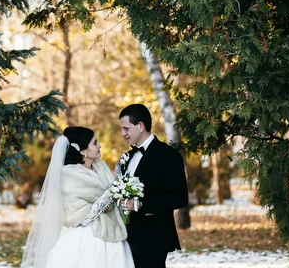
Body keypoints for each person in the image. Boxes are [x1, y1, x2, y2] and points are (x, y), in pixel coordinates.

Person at [21, 126, 134, 268]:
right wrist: (113, 192)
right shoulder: (70, 174)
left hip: (112, 231)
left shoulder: (99, 166)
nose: (99, 145)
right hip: (90, 237)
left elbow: (111, 191)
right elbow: (82, 216)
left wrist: (119, 172)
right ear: (82, 151)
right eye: (94, 143)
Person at [116, 104, 188, 268]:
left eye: (126, 128)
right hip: (127, 236)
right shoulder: (127, 157)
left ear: (140, 126)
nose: (123, 134)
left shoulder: (168, 155)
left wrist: (140, 205)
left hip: (154, 236)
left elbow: (179, 198)